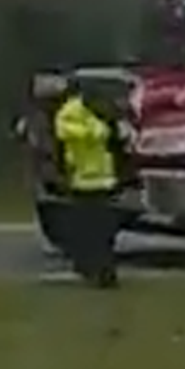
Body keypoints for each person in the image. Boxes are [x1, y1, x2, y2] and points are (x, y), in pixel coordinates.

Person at [42, 74, 134, 288]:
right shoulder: (71, 112)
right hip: (82, 180)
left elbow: (116, 137)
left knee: (102, 231)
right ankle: (93, 270)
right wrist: (101, 128)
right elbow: (71, 133)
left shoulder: (101, 110)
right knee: (90, 230)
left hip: (102, 180)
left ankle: (103, 272)